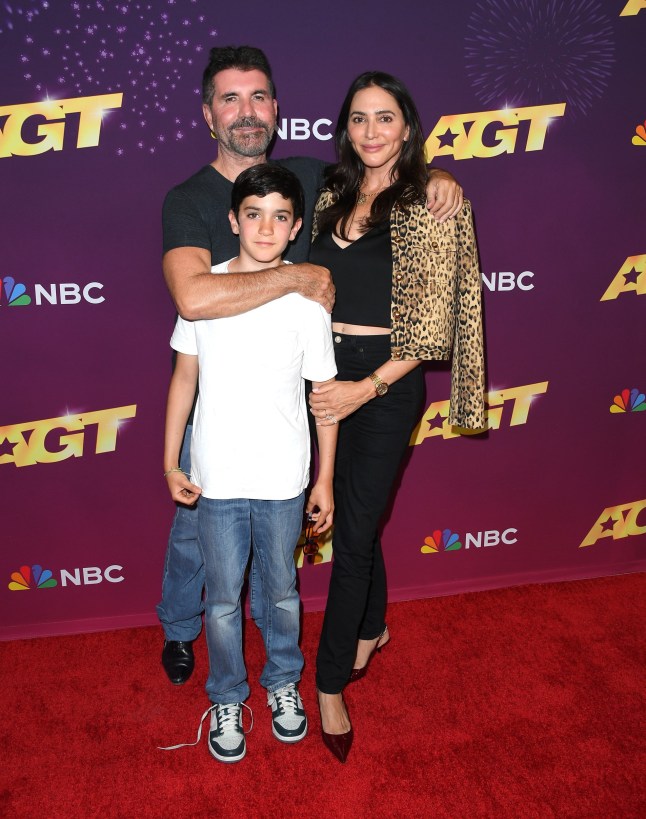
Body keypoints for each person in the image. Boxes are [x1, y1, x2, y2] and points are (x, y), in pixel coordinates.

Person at [157, 45, 465, 686]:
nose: (247, 111)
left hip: (294, 391)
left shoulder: (308, 174)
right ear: (208, 114)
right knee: (197, 538)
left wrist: (438, 178)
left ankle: (290, 665)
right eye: (230, 99)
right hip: (215, 399)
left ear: (276, 109)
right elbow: (193, 296)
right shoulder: (187, 199)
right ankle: (182, 630)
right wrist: (295, 275)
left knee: (287, 537)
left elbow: (380, 168)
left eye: (259, 97)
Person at [307, 71, 485, 762]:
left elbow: (434, 325)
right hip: (320, 379)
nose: (372, 131)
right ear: (346, 128)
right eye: (359, 118)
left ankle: (328, 685)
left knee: (349, 540)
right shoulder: (327, 191)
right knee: (357, 513)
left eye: (386, 118)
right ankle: (373, 623)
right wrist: (332, 386)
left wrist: (366, 388)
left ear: (408, 128)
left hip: (385, 386)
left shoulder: (431, 203)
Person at [163, 164, 338, 763]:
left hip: (284, 479)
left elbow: (324, 399)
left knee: (282, 591)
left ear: (295, 229)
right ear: (233, 220)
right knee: (220, 600)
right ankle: (227, 696)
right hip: (215, 479)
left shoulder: (307, 303)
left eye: (281, 216)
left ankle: (283, 683)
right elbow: (184, 377)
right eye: (254, 214)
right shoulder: (206, 292)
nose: (267, 227)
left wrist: (325, 479)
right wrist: (169, 462)